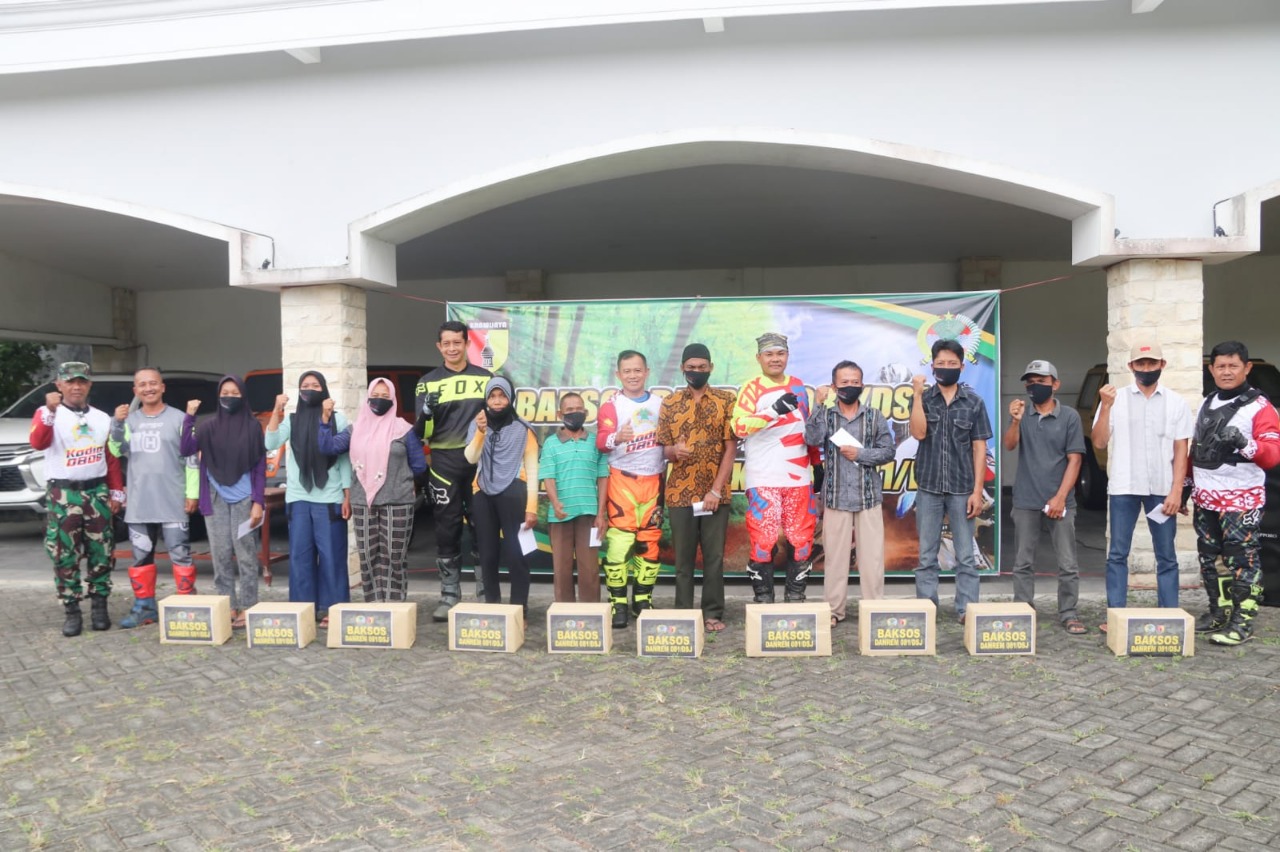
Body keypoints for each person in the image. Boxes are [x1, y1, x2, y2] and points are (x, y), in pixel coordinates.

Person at [1091, 339, 1192, 626]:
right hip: (1124, 487)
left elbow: (1181, 450)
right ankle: (1116, 618)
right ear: (1131, 366)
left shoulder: (1175, 402)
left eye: (1151, 363)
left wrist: (1177, 490)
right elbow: (1099, 441)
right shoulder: (1116, 399)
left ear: (1162, 365)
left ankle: (1169, 617)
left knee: (1167, 556)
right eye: (1141, 363)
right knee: (1117, 554)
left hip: (1162, 490)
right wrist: (1106, 407)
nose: (1146, 368)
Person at [1189, 341, 1280, 645]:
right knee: (1210, 558)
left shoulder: (1260, 407)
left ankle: (1243, 622)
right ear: (1212, 369)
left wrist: (1244, 443)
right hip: (1205, 497)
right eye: (1221, 366)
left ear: (1246, 368)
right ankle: (1220, 612)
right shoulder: (1208, 401)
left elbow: (1272, 456)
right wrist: (1186, 487)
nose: (1226, 372)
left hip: (1241, 500)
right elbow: (1197, 449)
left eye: (1233, 366)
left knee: (1242, 559)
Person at [29, 362, 124, 637]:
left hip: (96, 491)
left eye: (81, 381)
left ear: (89, 385)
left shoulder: (101, 418)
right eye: (70, 382)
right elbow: (38, 442)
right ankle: (72, 609)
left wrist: (116, 490)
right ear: (59, 385)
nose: (76, 387)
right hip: (64, 493)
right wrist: (50, 411)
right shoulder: (47, 413)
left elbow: (110, 456)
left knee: (101, 550)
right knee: (64, 553)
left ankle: (99, 606)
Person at [318, 378, 428, 602]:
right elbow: (327, 447)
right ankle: (374, 606)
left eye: (385, 396)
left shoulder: (404, 430)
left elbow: (419, 465)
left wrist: (398, 477)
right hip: (363, 502)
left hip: (398, 501)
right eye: (375, 396)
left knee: (394, 556)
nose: (379, 400)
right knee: (368, 556)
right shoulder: (355, 430)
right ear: (368, 399)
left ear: (393, 400)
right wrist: (325, 419)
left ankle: (395, 607)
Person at [109, 367, 201, 629]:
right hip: (140, 503)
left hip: (173, 500)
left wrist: (192, 493)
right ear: (135, 391)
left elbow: (192, 459)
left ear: (162, 387)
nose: (148, 388)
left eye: (153, 383)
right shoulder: (129, 421)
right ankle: (144, 607)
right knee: (140, 557)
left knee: (180, 554)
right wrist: (117, 423)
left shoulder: (181, 419)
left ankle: (186, 607)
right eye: (142, 385)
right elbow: (116, 449)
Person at [909, 338, 993, 623]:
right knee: (926, 556)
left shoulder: (973, 402)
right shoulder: (923, 398)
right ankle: (926, 610)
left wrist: (977, 491)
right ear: (932, 366)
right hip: (929, 487)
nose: (946, 367)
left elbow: (980, 448)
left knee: (966, 556)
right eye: (941, 363)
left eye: (952, 363)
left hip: (962, 489)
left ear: (962, 367)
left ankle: (966, 610)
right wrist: (917, 395)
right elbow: (918, 433)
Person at [805, 360, 896, 626]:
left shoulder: (874, 416)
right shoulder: (827, 416)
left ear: (863, 385)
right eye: (844, 382)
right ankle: (834, 611)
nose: (850, 386)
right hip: (835, 497)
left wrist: (861, 454)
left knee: (872, 560)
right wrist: (818, 404)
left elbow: (888, 452)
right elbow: (811, 439)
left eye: (855, 382)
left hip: (868, 497)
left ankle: (873, 610)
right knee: (835, 560)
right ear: (834, 386)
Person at [1002, 359, 1087, 635]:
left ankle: (1069, 612)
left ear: (1055, 384)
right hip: (1026, 499)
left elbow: (1075, 460)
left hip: (1060, 500)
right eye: (1030, 382)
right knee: (1023, 561)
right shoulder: (1022, 413)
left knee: (1067, 562)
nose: (1034, 386)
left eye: (1041, 381)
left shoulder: (1069, 416)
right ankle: (1023, 609)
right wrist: (1015, 421)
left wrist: (1060, 497)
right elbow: (1009, 445)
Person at [416, 320, 493, 621]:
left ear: (466, 344)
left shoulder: (486, 378)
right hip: (443, 462)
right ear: (439, 346)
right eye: (446, 343)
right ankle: (449, 594)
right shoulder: (427, 382)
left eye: (457, 342)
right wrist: (426, 413)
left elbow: (499, 420)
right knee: (446, 526)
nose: (452, 348)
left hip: (479, 461)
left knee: (482, 525)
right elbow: (421, 432)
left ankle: (486, 592)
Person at [656, 343, 737, 632]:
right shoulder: (670, 403)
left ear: (710, 368)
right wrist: (673, 452)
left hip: (715, 495)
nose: (697, 372)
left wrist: (715, 490)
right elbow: (663, 449)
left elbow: (731, 449)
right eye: (691, 367)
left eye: (702, 367)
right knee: (683, 560)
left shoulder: (727, 400)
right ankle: (683, 614)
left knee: (713, 558)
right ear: (682, 368)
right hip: (680, 494)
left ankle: (712, 613)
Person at [731, 332, 816, 604]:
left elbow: (808, 428)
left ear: (787, 356)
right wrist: (773, 411)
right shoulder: (751, 388)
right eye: (769, 354)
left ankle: (795, 598)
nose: (775, 359)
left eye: (780, 353)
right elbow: (739, 427)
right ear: (759, 358)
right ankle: (763, 600)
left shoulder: (799, 386)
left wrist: (817, 463)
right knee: (763, 542)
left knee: (801, 542)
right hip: (763, 478)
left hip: (798, 478)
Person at [265, 371, 352, 626]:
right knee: (300, 556)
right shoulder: (292, 420)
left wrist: (347, 494)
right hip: (299, 498)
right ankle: (303, 609)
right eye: (305, 385)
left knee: (332, 556)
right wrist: (277, 410)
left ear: (324, 390)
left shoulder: (338, 418)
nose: (310, 389)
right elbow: (270, 441)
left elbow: (344, 459)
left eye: (315, 385)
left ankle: (333, 608)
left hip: (330, 497)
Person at [181, 376, 266, 629]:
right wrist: (189, 417)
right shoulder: (207, 426)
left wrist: (258, 501)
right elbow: (186, 449)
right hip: (214, 496)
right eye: (225, 392)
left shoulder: (252, 427)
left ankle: (249, 606)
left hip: (245, 497)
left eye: (235, 393)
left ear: (243, 396)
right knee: (220, 553)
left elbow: (260, 467)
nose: (229, 397)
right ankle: (226, 605)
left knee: (246, 554)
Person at [596, 350, 666, 627]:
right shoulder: (611, 405)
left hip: (654, 480)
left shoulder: (661, 404)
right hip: (621, 480)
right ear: (618, 374)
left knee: (649, 542)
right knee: (619, 543)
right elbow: (601, 442)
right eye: (627, 371)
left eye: (638, 370)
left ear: (647, 372)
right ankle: (618, 603)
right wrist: (617, 437)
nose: (633, 375)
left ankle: (642, 599)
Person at [465, 377, 539, 614]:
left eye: (502, 396)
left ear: (510, 398)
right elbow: (471, 458)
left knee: (517, 555)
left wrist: (532, 507)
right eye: (492, 396)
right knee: (487, 555)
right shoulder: (477, 424)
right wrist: (480, 432)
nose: (497, 401)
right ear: (486, 399)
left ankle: (519, 609)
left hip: (514, 493)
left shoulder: (523, 429)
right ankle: (493, 609)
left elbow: (533, 470)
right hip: (482, 493)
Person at [540, 391, 608, 603]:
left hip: (589, 515)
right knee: (561, 569)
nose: (575, 413)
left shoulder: (596, 442)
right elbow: (548, 477)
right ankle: (564, 614)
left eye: (579, 409)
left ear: (586, 412)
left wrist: (601, 514)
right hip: (560, 516)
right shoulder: (551, 443)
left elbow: (603, 478)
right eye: (569, 410)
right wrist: (555, 503)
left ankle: (591, 613)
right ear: (560, 414)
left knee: (590, 570)